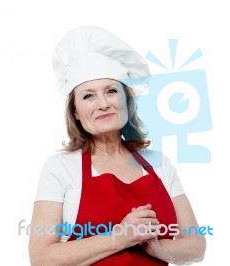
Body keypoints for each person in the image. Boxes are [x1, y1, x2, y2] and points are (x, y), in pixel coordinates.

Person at [28, 26, 206, 266]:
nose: (103, 104)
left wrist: (158, 248)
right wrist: (120, 238)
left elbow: (196, 246)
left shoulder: (159, 163)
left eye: (112, 91)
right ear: (75, 112)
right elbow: (41, 258)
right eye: (88, 96)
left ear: (126, 100)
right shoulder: (60, 168)